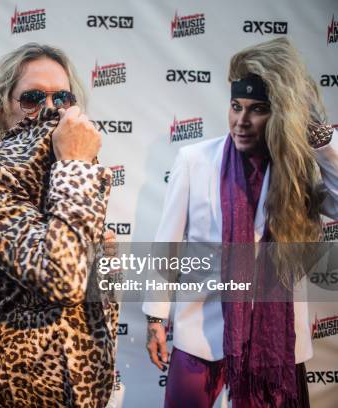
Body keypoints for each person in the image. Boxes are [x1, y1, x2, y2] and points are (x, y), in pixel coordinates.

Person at [143, 37, 338, 408]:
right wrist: (156, 316)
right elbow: (167, 245)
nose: (241, 121)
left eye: (258, 109)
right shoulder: (194, 160)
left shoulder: (295, 171)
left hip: (275, 343)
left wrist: (322, 143)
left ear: (278, 114)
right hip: (202, 330)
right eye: (236, 106)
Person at [0, 43, 119, 407]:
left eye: (62, 97)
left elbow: (96, 300)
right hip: (12, 394)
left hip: (82, 395)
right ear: (2, 110)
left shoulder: (70, 170)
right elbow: (63, 278)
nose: (49, 109)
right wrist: (75, 165)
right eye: (32, 98)